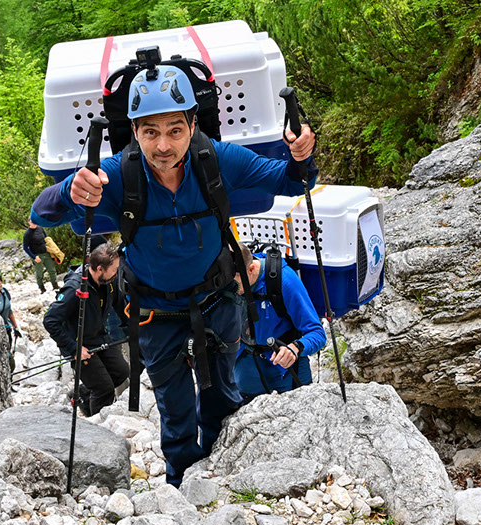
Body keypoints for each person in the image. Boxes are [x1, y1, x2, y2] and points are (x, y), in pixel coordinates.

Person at [30, 64, 316, 486]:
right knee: (174, 404)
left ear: (192, 124)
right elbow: (41, 213)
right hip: (155, 308)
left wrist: (300, 157)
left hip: (216, 299)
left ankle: (223, 478)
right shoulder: (116, 174)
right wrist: (68, 189)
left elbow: (291, 183)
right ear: (134, 130)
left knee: (223, 393)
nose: (163, 145)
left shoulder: (216, 159)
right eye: (150, 132)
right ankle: (181, 483)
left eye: (174, 130)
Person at [43, 243, 128, 417]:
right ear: (99, 269)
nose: (116, 272)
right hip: (78, 343)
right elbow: (50, 320)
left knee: (121, 372)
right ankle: (97, 426)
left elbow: (120, 304)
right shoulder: (75, 288)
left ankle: (83, 393)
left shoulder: (108, 282)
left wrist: (132, 328)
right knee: (104, 389)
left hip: (99, 336)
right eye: (113, 269)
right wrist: (74, 349)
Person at [233, 243, 326, 402]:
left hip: (286, 367)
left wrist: (295, 348)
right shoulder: (224, 282)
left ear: (250, 269)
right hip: (246, 366)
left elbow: (318, 333)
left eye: (234, 284)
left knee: (300, 415)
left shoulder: (284, 281)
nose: (228, 289)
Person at [22, 219, 60, 293]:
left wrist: (53, 250)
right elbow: (25, 247)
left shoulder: (40, 228)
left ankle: (55, 286)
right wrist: (34, 257)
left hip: (46, 253)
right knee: (39, 273)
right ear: (29, 222)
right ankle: (42, 288)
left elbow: (47, 239)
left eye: (34, 221)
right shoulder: (27, 233)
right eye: (31, 221)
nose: (33, 223)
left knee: (52, 270)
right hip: (37, 255)